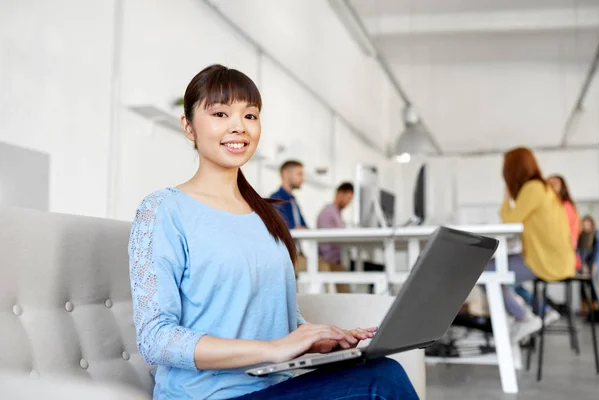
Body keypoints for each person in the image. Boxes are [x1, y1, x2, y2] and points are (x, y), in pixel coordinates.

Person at [128, 64, 417, 400]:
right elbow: (155, 339)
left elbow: (271, 315)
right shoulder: (162, 210)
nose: (238, 127)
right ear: (188, 127)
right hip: (209, 395)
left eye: (250, 116)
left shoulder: (266, 213)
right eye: (220, 114)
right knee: (380, 382)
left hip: (275, 387)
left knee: (380, 369)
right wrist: (273, 349)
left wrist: (314, 338)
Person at [488, 147, 574, 342]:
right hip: (552, 258)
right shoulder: (541, 188)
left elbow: (508, 222)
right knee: (489, 271)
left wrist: (506, 197)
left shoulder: (532, 188)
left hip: (545, 261)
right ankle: (519, 316)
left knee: (481, 271)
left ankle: (523, 317)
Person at [547, 174, 581, 269]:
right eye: (547, 184)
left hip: (564, 254)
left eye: (554, 183)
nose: (550, 186)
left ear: (562, 187)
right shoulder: (551, 206)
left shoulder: (565, 206)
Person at [316, 182, 354, 265]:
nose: (349, 202)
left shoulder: (337, 213)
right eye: (348, 198)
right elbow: (325, 246)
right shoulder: (328, 213)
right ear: (339, 194)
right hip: (332, 260)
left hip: (340, 258)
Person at [270, 160, 308, 230]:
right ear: (285, 174)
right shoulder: (276, 199)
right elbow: (283, 227)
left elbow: (304, 226)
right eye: (299, 174)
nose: (302, 179)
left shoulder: (292, 200)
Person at [577, 215, 599, 319]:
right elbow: (578, 252)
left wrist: (595, 264)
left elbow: (598, 252)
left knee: (592, 285)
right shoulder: (580, 236)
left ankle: (595, 308)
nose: (586, 226)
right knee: (582, 286)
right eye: (584, 224)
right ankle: (585, 309)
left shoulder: (596, 236)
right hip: (583, 265)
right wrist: (582, 265)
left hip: (593, 264)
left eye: (588, 224)